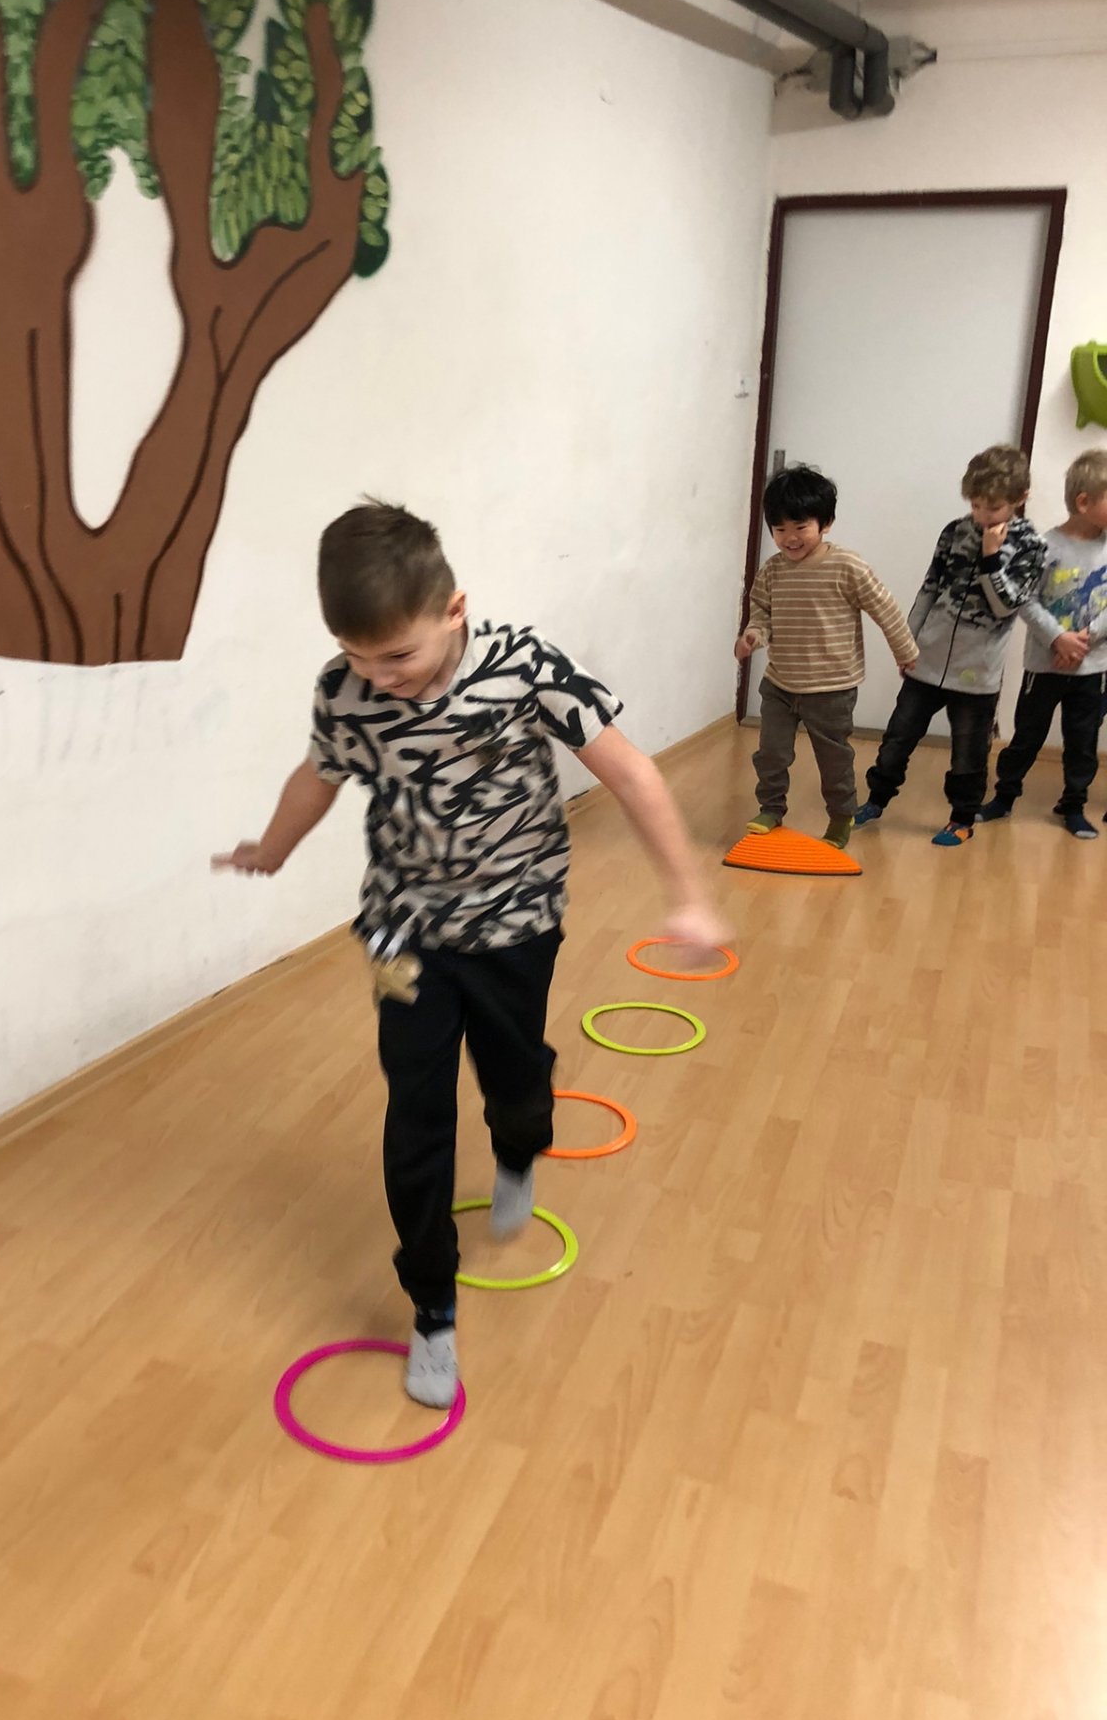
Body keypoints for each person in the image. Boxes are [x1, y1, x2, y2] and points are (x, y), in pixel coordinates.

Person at [214, 501, 728, 1409]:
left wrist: (688, 894)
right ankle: (433, 1308)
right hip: (404, 930)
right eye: (358, 658)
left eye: (397, 657)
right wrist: (272, 847)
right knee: (415, 1109)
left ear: (455, 610)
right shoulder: (345, 691)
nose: (379, 679)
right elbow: (318, 775)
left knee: (514, 1077)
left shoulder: (523, 666)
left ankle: (520, 1146)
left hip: (515, 924)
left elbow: (631, 772)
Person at [855, 445, 1047, 847]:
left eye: (993, 508)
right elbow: (930, 588)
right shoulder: (954, 531)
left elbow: (1006, 605)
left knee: (968, 754)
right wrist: (906, 642)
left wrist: (991, 557)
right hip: (927, 659)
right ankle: (875, 800)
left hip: (978, 672)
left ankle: (961, 818)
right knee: (897, 739)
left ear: (1020, 499)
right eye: (975, 505)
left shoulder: (1031, 545)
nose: (982, 516)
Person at [734, 465, 917, 848]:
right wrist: (753, 634)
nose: (790, 538)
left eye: (800, 527)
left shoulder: (847, 567)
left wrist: (905, 652)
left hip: (832, 688)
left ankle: (841, 816)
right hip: (781, 683)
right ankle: (771, 808)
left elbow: (885, 608)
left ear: (826, 522)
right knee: (771, 753)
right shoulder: (772, 571)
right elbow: (761, 611)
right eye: (779, 529)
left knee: (833, 760)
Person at [978, 448, 1107, 839]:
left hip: (1093, 666)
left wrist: (1086, 639)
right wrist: (1057, 638)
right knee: (1026, 736)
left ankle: (1073, 804)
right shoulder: (1043, 546)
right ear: (1083, 502)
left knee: (1082, 742)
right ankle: (1004, 796)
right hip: (1044, 664)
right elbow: (1025, 600)